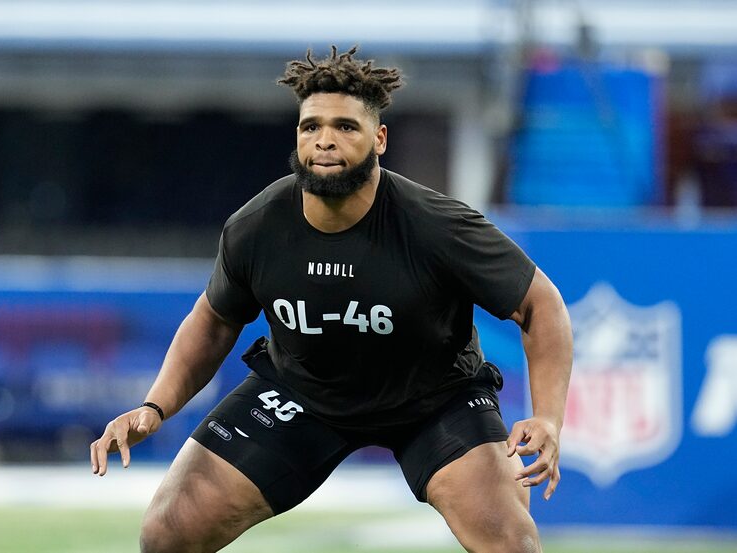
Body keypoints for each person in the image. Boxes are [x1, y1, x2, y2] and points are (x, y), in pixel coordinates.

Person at [90, 45, 572, 553]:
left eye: (345, 127)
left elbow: (543, 308)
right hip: (303, 395)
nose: (324, 140)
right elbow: (213, 320)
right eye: (310, 126)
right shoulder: (257, 227)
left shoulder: (438, 226)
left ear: (379, 138)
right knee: (166, 532)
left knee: (512, 544)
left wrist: (548, 419)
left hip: (434, 401)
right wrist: (154, 407)